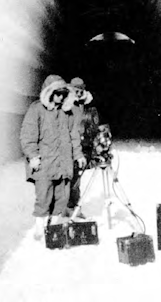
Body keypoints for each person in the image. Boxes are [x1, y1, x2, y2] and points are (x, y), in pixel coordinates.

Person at [20, 74, 86, 240]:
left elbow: (74, 136)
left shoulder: (68, 113)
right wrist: (33, 156)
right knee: (43, 197)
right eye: (57, 93)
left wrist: (78, 154)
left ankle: (55, 228)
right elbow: (28, 136)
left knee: (62, 198)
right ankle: (40, 228)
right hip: (44, 164)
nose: (60, 97)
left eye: (64, 93)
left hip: (64, 163)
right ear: (49, 93)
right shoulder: (36, 109)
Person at [65, 77, 101, 217]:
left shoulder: (88, 105)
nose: (78, 93)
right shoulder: (66, 105)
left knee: (77, 177)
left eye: (81, 90)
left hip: (83, 146)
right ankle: (68, 206)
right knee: (69, 177)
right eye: (76, 90)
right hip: (69, 146)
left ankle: (74, 206)